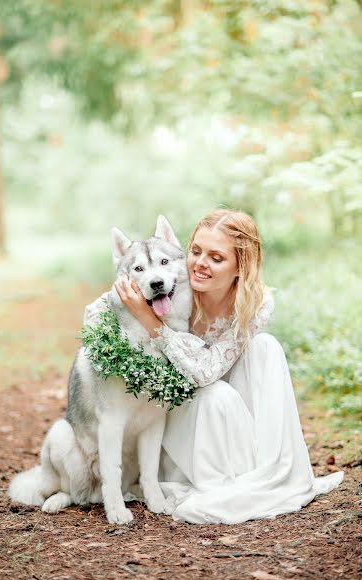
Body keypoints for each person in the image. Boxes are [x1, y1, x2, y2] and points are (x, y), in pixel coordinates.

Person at [111, 209, 344, 524]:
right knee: (215, 395)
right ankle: (210, 476)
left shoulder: (255, 302)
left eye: (216, 258)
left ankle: (269, 470)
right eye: (195, 251)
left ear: (239, 267)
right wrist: (141, 314)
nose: (200, 263)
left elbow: (206, 370)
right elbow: (100, 312)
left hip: (226, 406)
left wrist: (151, 322)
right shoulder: (170, 281)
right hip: (178, 410)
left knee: (266, 348)